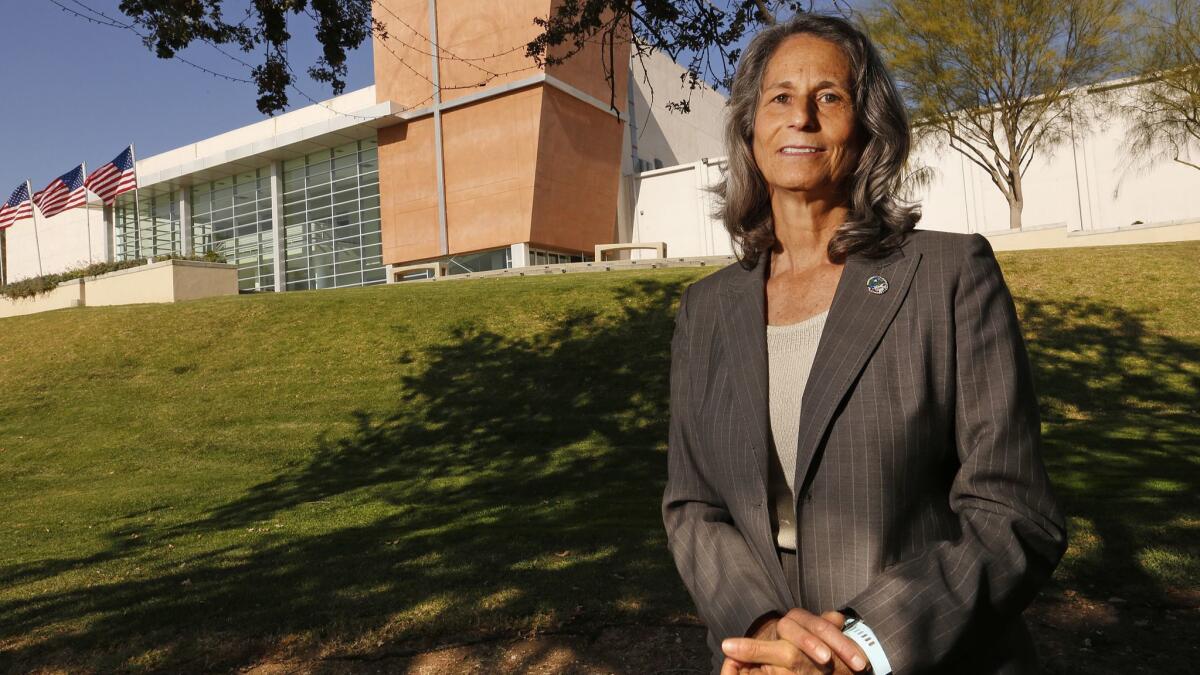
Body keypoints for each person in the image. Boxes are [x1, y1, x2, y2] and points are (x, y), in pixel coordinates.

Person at [661, 14, 1067, 675]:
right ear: (750, 128)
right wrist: (763, 627)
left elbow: (1014, 511)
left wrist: (856, 646)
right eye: (780, 98)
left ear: (869, 128)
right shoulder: (704, 310)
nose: (802, 118)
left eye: (830, 96)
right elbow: (691, 506)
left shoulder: (950, 274)